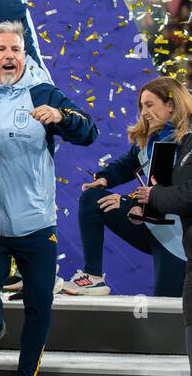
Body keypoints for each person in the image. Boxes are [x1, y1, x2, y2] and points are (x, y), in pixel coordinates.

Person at [0, 22, 97, 376]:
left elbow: (88, 130)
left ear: (24, 55)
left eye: (16, 50)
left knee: (39, 304)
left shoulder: (43, 92)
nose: (9, 56)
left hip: (37, 224)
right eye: (2, 50)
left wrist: (62, 118)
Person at [72, 78, 191, 297]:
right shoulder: (150, 139)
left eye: (149, 104)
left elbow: (171, 191)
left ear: (171, 105)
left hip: (176, 239)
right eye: (141, 106)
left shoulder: (185, 142)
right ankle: (93, 277)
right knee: (92, 198)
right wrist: (105, 179)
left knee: (166, 312)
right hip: (151, 226)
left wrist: (128, 202)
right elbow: (127, 164)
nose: (144, 112)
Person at [130, 110, 192, 376]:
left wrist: (154, 195)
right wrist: (158, 193)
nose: (145, 113)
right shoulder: (184, 144)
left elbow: (189, 195)